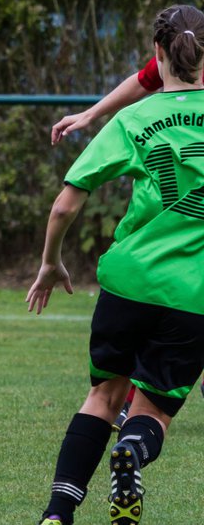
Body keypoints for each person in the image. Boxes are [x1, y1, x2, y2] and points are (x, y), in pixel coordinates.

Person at [27, 3, 204, 525]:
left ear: (158, 52)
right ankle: (131, 450)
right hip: (193, 296)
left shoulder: (134, 120)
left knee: (104, 396)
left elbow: (64, 205)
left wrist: (50, 262)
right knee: (152, 412)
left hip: (127, 282)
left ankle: (56, 515)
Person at [52, 51, 169, 430]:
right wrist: (90, 114)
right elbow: (143, 80)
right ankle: (132, 403)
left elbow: (65, 206)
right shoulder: (187, 44)